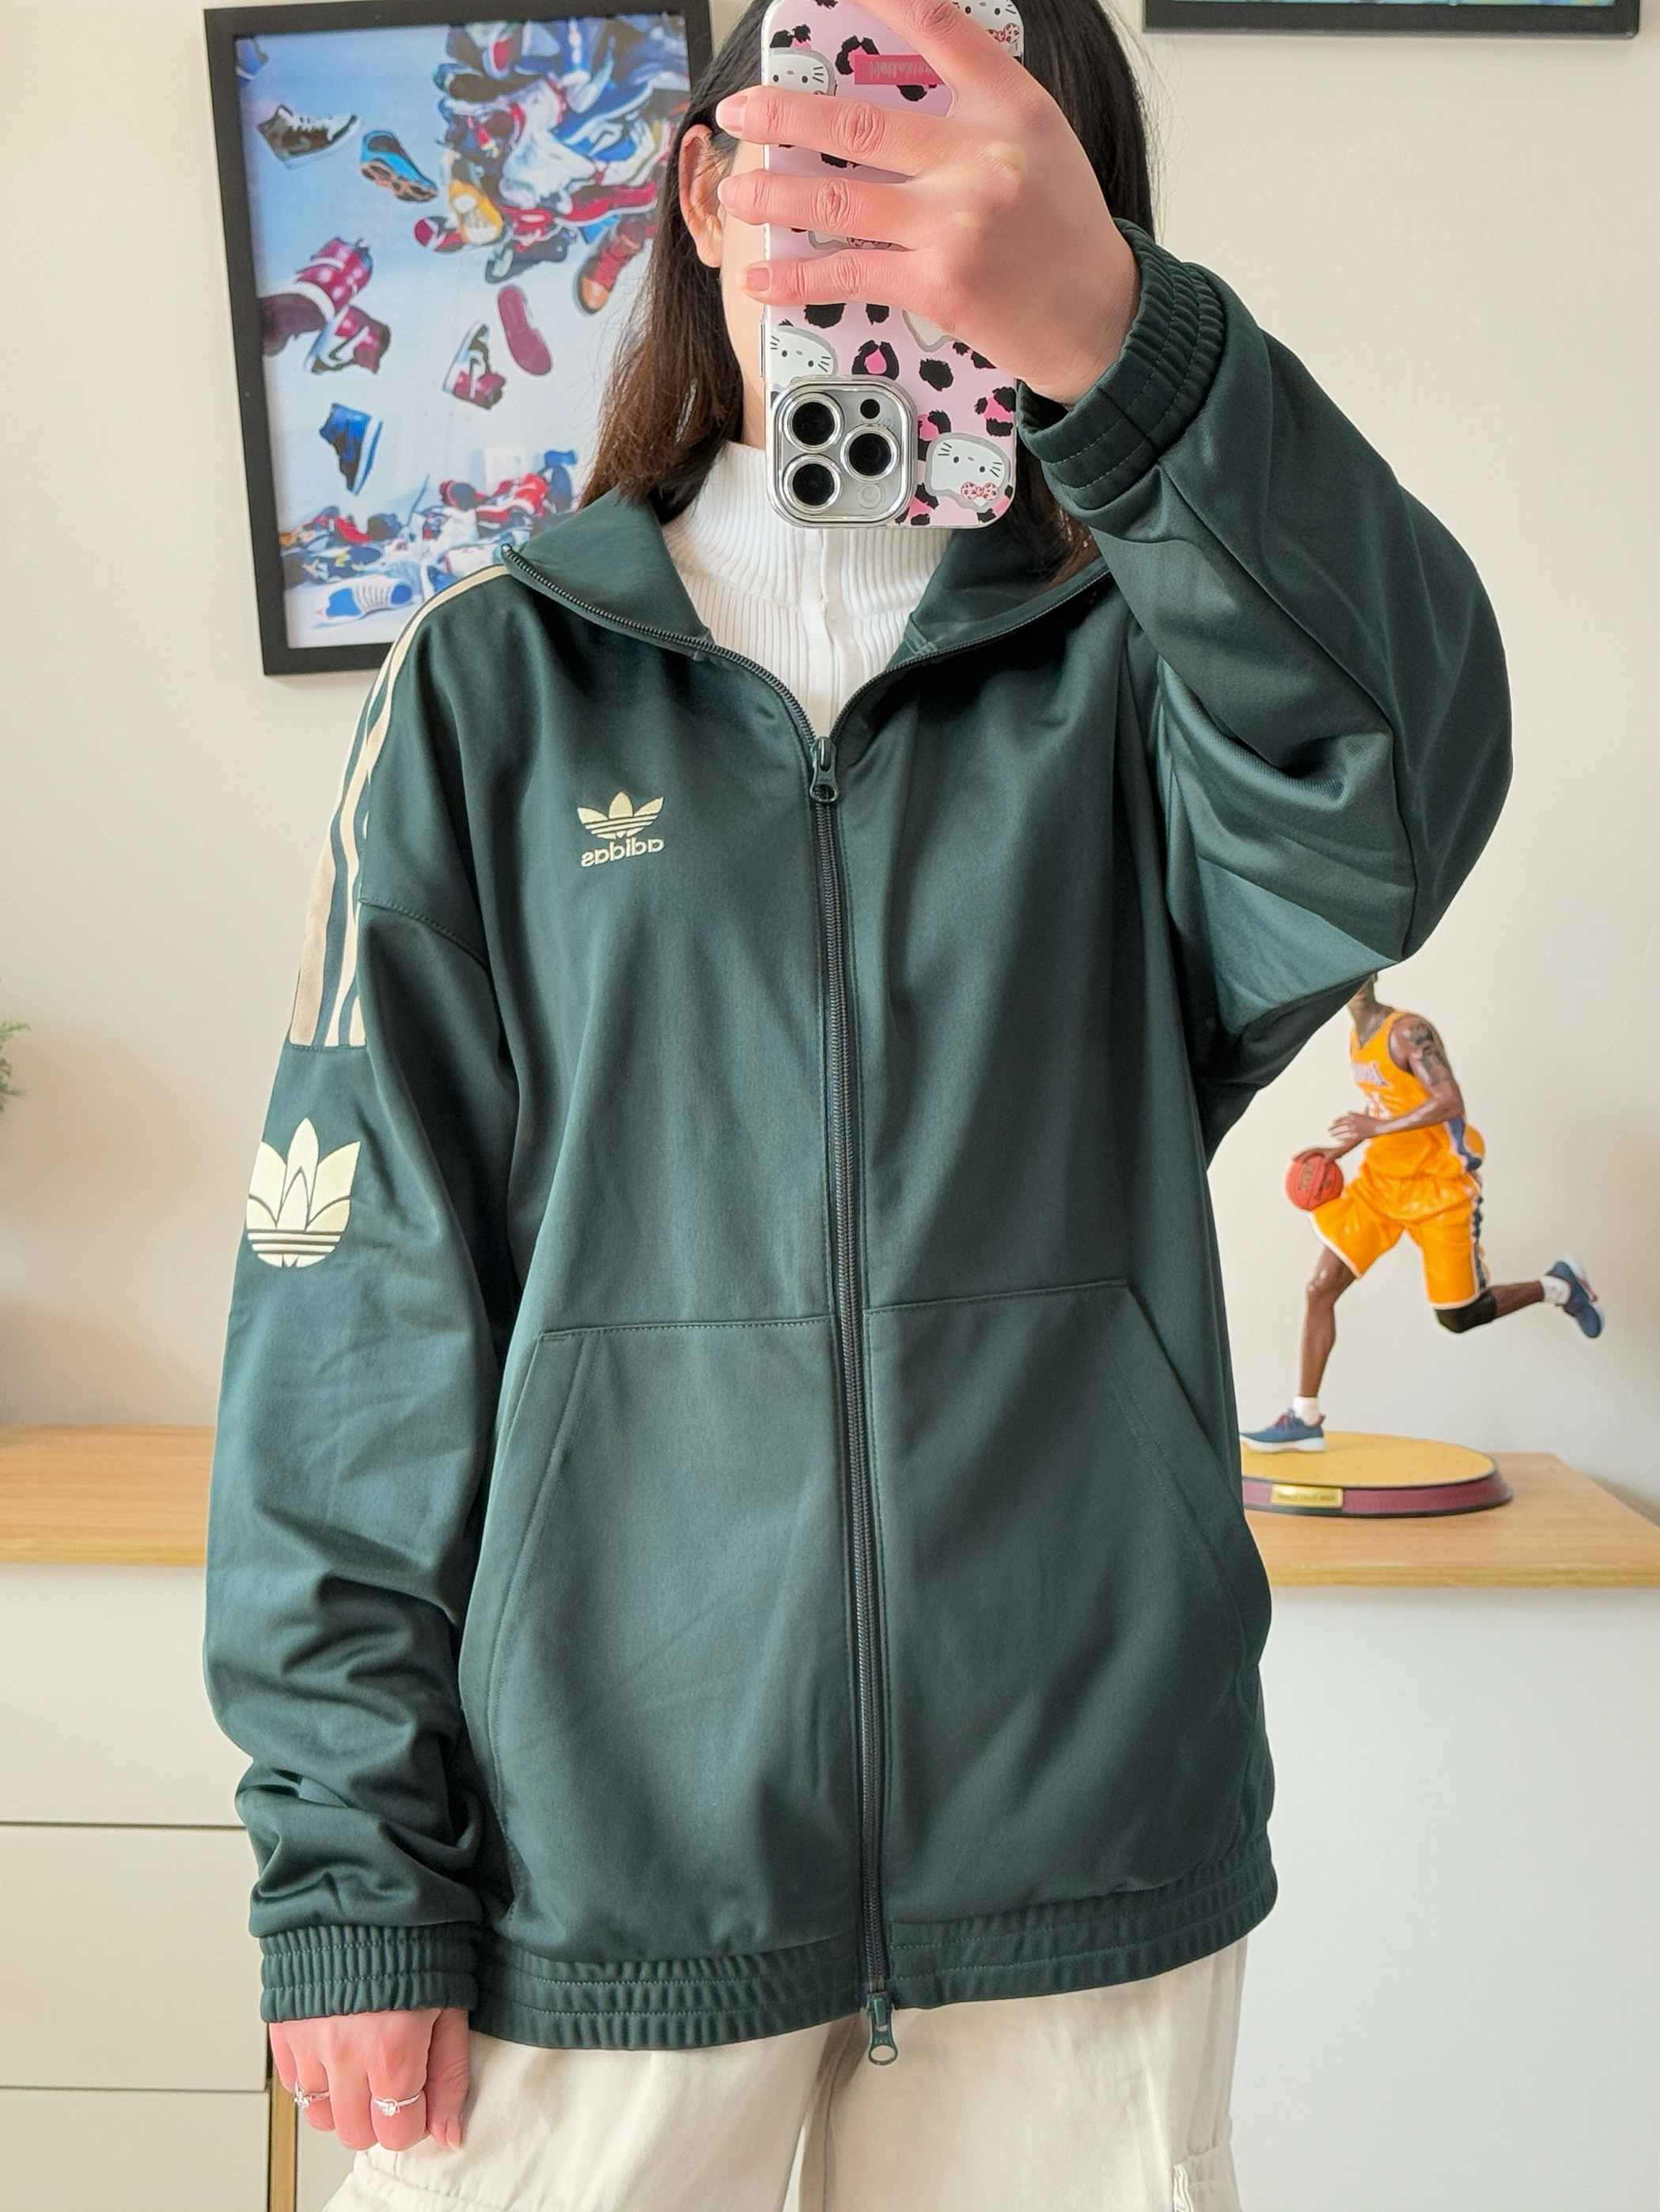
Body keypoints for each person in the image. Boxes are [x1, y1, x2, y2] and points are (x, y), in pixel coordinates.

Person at [203, 0, 1513, 2204]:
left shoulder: (1151, 685)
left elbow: (1384, 798)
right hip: (590, 1863)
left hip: (1081, 1844)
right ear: (711, 189)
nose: (890, 202)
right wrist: (349, 1863)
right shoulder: (494, 685)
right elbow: (357, 1303)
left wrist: (1127, 354)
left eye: (966, 152)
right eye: (835, 133)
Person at [1243, 977, 1601, 1455]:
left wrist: (1373, 1127)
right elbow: (1388, 1102)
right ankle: (1303, 1416)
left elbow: (1449, 1102)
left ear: (1375, 974)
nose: (1355, 981)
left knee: (1459, 1316)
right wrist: (1343, 1147)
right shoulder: (1357, 1038)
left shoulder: (1409, 1032)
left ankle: (1558, 1286)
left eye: (1365, 970)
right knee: (1320, 1288)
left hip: (1438, 1187)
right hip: (1382, 1184)